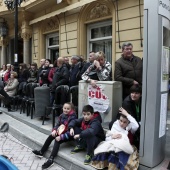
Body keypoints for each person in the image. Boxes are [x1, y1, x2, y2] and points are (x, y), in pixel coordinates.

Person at [32, 102, 77, 170]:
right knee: (51, 136)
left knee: (57, 140)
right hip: (61, 131)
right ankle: (41, 152)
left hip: (68, 135)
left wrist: (61, 137)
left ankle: (51, 159)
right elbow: (57, 124)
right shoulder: (61, 116)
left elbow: (70, 131)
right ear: (62, 108)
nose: (66, 110)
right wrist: (54, 130)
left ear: (71, 109)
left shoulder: (73, 117)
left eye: (68, 109)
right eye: (65, 108)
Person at [109, 84, 142, 149]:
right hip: (127, 121)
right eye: (132, 93)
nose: (133, 95)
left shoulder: (142, 100)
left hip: (135, 120)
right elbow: (131, 119)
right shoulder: (127, 102)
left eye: (136, 93)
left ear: (141, 94)